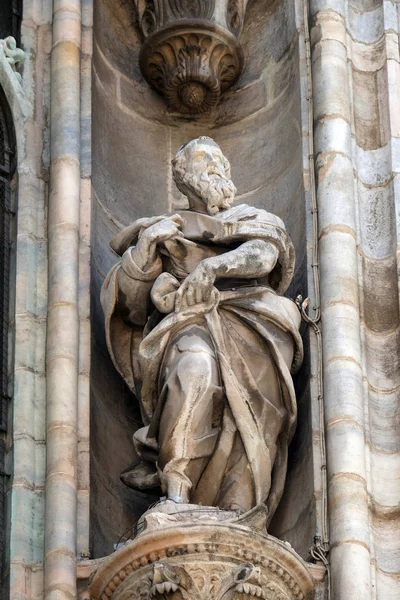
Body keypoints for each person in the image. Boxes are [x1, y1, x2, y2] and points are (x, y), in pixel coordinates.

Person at [101, 137, 302, 521]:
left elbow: (264, 254)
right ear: (183, 178)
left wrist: (213, 268)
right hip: (191, 322)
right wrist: (144, 249)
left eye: (219, 160)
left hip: (252, 322)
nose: (216, 167)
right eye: (204, 160)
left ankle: (240, 508)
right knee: (194, 371)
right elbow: (128, 305)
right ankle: (176, 492)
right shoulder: (166, 230)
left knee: (258, 410)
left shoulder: (253, 217)